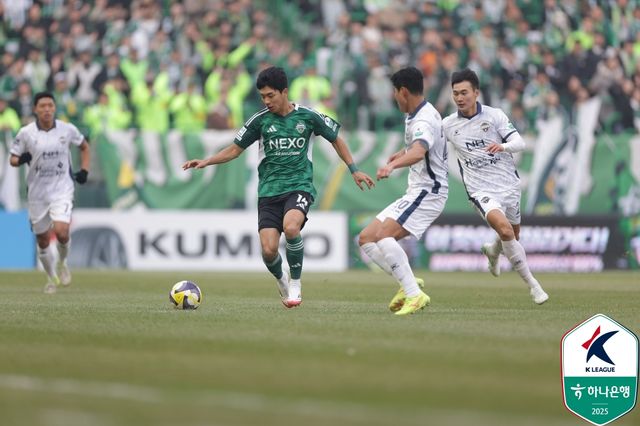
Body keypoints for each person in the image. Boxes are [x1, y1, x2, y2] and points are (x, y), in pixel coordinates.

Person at [183, 66, 374, 308]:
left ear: (284, 92)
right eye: (262, 96)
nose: (266, 101)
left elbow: (336, 139)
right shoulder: (259, 121)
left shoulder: (308, 116)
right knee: (268, 250)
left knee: (291, 228)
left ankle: (296, 283)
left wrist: (354, 169)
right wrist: (207, 161)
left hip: (299, 186)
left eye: (270, 95)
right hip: (268, 192)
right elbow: (234, 150)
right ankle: (282, 279)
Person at [442, 68, 549, 304]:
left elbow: (519, 142)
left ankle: (493, 251)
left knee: (513, 235)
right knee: (506, 231)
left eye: (464, 92)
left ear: (476, 93)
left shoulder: (494, 115)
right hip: (480, 191)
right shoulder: (448, 125)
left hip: (509, 186)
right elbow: (426, 145)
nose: (459, 98)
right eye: (455, 93)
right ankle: (534, 286)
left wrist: (503, 147)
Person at [358, 66, 448, 316]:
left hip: (428, 192)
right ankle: (407, 282)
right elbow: (420, 147)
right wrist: (401, 153)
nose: (394, 97)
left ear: (404, 91)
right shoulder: (416, 114)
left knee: (384, 236)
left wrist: (391, 166)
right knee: (366, 238)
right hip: (416, 191)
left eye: (395, 91)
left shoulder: (423, 119)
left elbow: (419, 151)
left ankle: (413, 293)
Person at [9, 92, 90, 294]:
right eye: (42, 106)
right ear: (35, 109)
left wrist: (84, 170)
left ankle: (63, 263)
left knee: (62, 231)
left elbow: (84, 146)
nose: (47, 109)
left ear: (54, 108)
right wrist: (22, 159)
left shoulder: (67, 129)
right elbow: (13, 159)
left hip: (62, 189)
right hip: (37, 194)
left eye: (50, 105)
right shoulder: (26, 133)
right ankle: (51, 277)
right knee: (43, 240)